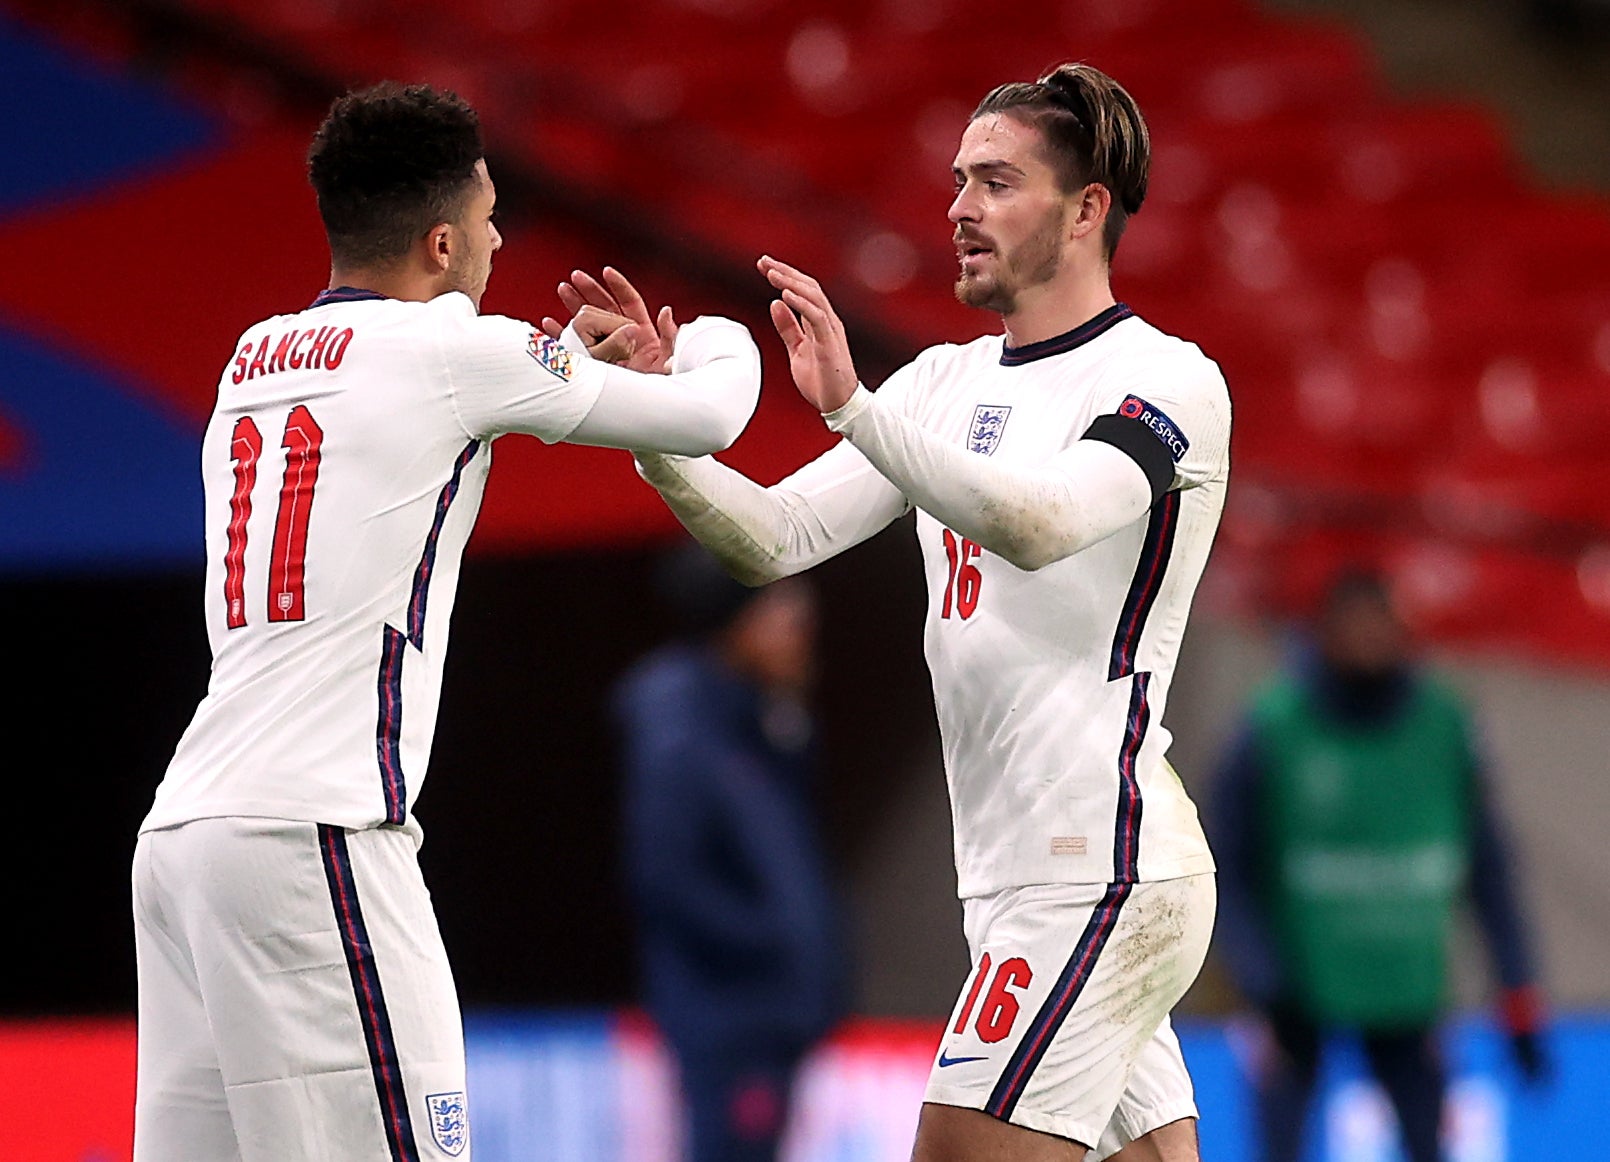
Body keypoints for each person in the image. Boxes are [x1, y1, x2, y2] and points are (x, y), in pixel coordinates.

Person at [552, 62, 1230, 1162]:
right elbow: (770, 539)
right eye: (958, 179)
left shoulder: (1165, 382)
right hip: (1020, 880)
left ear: (1086, 207)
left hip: (1098, 869)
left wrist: (852, 411)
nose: (958, 207)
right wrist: (649, 421)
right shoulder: (938, 385)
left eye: (997, 182)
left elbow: (1042, 518)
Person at [131, 82, 764, 1162]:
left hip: (184, 841)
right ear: (438, 242)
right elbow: (713, 413)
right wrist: (704, 334)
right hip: (314, 835)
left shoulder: (250, 359)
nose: (497, 240)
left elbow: (440, 401)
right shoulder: (454, 352)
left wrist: (550, 371)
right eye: (486, 221)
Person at [1211, 570, 1548, 1162]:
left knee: (1427, 1147)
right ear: (1323, 633)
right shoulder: (1272, 726)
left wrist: (1517, 992)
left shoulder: (1445, 725)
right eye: (1354, 625)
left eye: (1382, 625)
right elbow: (1225, 870)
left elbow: (1489, 868)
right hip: (1296, 995)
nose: (1370, 639)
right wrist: (1263, 983)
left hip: (1408, 994)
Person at [613, 543, 845, 1162]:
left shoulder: (768, 725)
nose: (800, 625)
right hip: (732, 1023)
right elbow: (665, 878)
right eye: (781, 609)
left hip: (774, 1017)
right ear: (735, 621)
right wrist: (775, 951)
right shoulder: (682, 734)